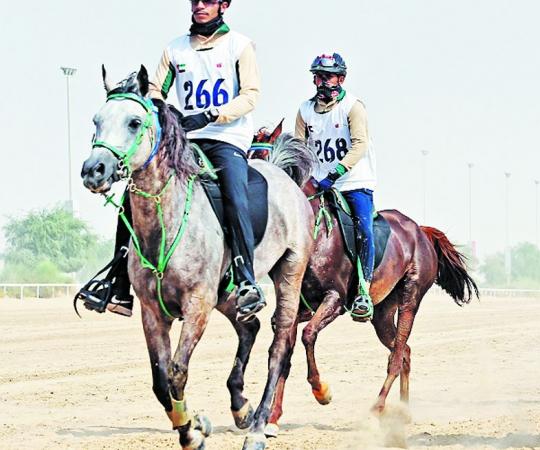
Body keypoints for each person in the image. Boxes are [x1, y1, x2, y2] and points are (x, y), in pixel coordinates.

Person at [77, 0, 266, 320]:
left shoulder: (240, 46)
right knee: (132, 194)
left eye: (207, 1)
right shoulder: (175, 49)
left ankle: (245, 279)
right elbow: (155, 91)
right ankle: (118, 284)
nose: (199, 6)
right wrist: (165, 111)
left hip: (227, 137)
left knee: (235, 195)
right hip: (185, 138)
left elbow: (250, 95)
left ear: (223, 5)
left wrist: (212, 114)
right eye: (195, 1)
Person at [295, 53, 379, 321]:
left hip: (354, 182)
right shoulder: (305, 110)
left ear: (341, 79)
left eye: (327, 76)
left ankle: (363, 290)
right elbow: (299, 148)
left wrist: (336, 172)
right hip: (319, 184)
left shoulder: (353, 107)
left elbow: (359, 144)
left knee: (363, 229)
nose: (321, 82)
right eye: (317, 76)